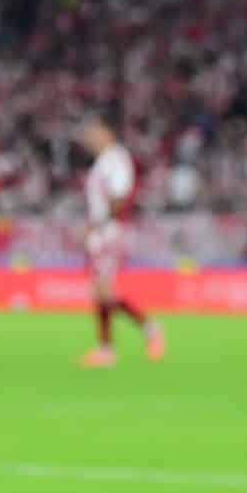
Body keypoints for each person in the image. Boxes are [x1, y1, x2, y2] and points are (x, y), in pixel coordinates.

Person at [76, 114, 162, 367]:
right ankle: (106, 348)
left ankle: (148, 328)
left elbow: (119, 196)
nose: (88, 140)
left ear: (106, 133)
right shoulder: (104, 161)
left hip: (109, 231)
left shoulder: (115, 159)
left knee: (103, 290)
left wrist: (96, 225)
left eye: (92, 133)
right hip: (102, 230)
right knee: (100, 292)